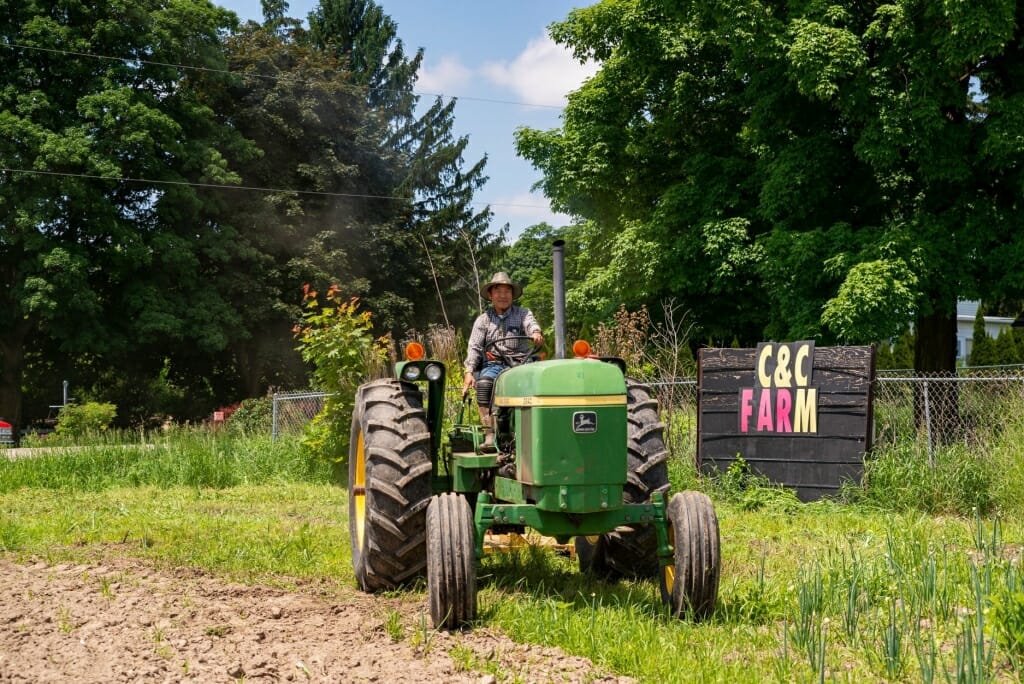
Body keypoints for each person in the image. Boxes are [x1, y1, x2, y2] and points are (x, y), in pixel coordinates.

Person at [462, 272, 544, 450]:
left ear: (512, 295)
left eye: (507, 291)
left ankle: (539, 431)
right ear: (490, 295)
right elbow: (474, 347)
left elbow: (532, 325)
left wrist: (536, 333)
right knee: (484, 384)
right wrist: (469, 371)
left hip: (522, 363)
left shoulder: (523, 314)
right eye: (498, 291)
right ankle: (490, 433)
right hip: (495, 364)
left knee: (540, 384)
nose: (503, 296)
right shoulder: (483, 320)